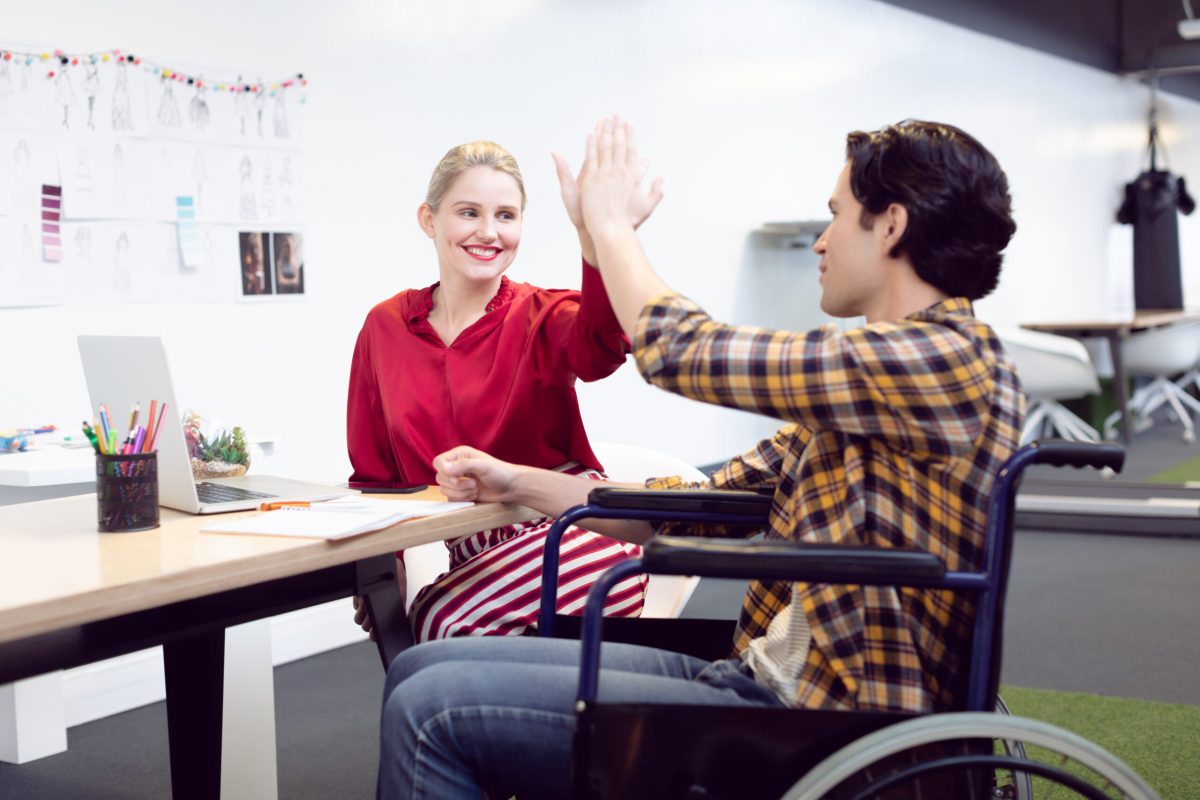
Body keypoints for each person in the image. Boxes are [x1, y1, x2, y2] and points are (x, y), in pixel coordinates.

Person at [376, 117, 1024, 800]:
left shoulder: (939, 362)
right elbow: (684, 511)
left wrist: (610, 228)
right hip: (761, 682)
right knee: (418, 669)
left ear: (890, 226)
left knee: (428, 713)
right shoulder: (873, 385)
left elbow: (684, 350)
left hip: (823, 724)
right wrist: (518, 481)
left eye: (835, 217)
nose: (822, 240)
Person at [347, 141, 662, 642]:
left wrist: (593, 240)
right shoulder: (384, 327)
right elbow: (374, 472)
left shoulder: (541, 312)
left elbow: (600, 350)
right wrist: (385, 566)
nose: (489, 232)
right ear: (429, 220)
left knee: (437, 626)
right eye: (468, 212)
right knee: (426, 627)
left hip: (574, 530)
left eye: (506, 215)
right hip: (474, 559)